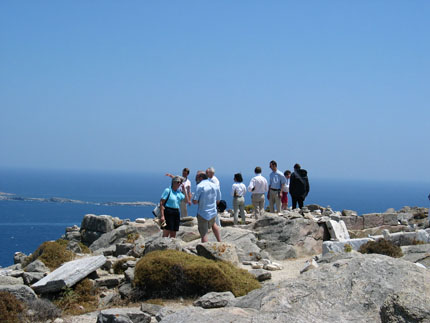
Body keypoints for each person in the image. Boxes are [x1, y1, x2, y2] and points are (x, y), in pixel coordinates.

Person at [193, 171, 222, 242]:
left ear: (201, 177)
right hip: (213, 211)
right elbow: (218, 200)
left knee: (203, 232)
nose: (196, 179)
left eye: (197, 177)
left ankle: (204, 249)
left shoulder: (199, 186)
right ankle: (220, 241)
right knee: (214, 225)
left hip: (203, 212)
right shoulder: (214, 185)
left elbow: (195, 201)